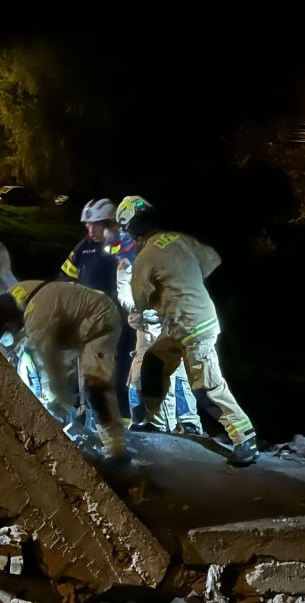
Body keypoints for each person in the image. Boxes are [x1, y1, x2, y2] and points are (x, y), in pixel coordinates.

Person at [117, 195, 257, 466]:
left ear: (133, 228)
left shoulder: (145, 256)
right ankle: (156, 424)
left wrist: (148, 301)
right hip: (182, 324)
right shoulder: (179, 238)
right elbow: (212, 260)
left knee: (208, 387)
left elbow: (140, 299)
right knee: (154, 363)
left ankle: (245, 439)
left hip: (192, 327)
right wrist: (185, 280)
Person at [0, 280, 127, 461]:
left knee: (94, 386)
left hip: (99, 322)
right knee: (78, 385)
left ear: (8, 326)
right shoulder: (15, 295)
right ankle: (93, 421)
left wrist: (56, 405)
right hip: (77, 323)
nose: (8, 342)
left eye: (5, 337)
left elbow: (52, 368)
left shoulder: (37, 318)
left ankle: (118, 451)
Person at [110, 222, 202, 435]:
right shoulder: (127, 263)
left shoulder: (157, 253)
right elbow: (126, 296)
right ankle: (144, 420)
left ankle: (186, 422)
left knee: (174, 374)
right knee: (139, 376)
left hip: (167, 324)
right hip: (146, 326)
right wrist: (142, 308)